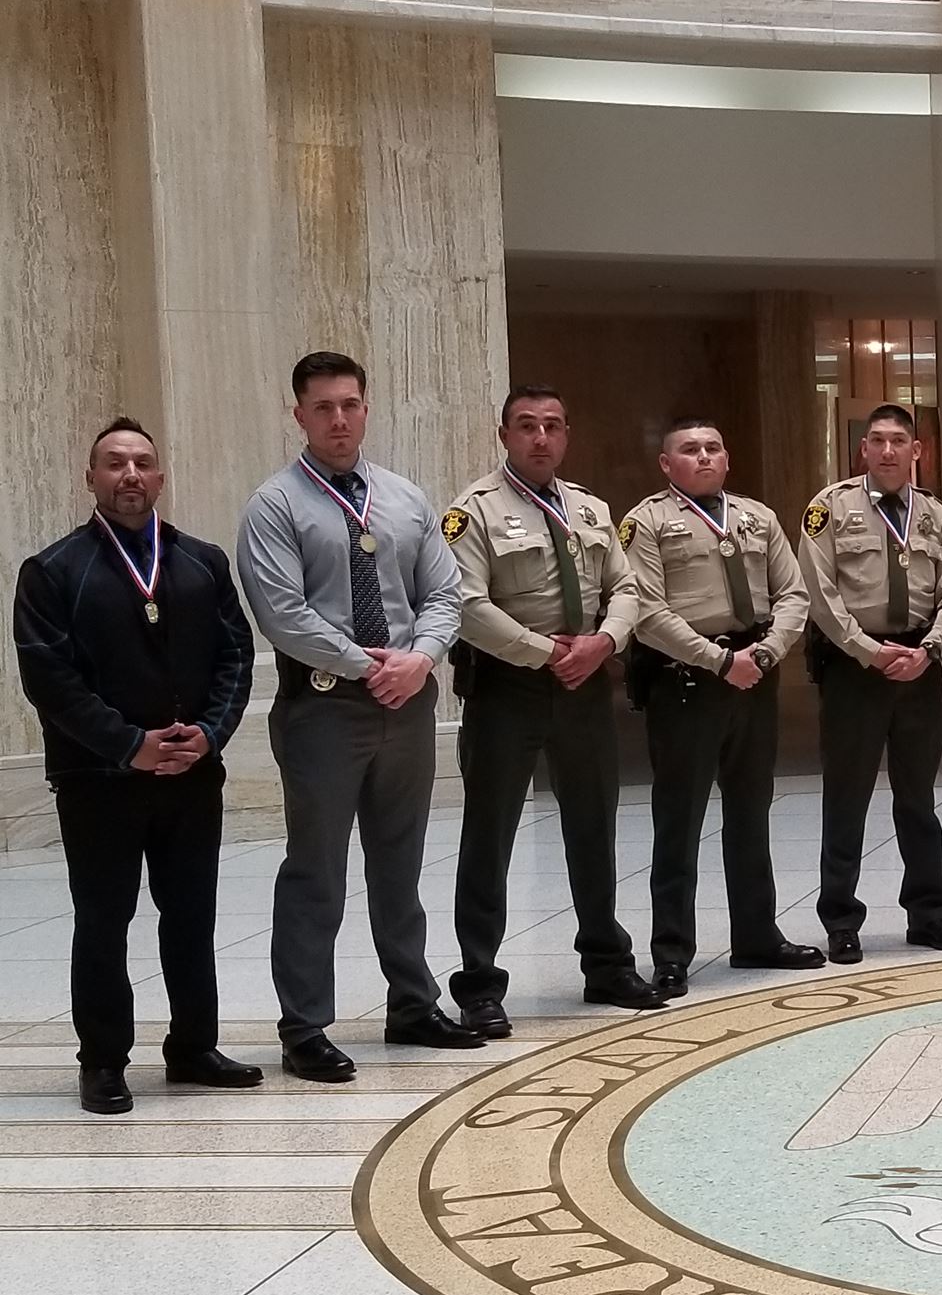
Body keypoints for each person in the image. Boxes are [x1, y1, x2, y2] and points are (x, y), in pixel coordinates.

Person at [238, 351, 485, 1080]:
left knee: (401, 864)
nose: (338, 419)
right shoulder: (276, 504)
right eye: (323, 408)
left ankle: (412, 1003)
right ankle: (304, 1025)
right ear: (299, 416)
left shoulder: (405, 498)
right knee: (317, 869)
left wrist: (423, 657)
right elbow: (281, 613)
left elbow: (446, 592)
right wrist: (368, 662)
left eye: (349, 404)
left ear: (366, 408)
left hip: (408, 701)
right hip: (323, 708)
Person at [13, 420, 261, 1113]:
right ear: (89, 477)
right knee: (104, 919)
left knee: (191, 917)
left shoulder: (201, 562)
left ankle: (193, 1046)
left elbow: (235, 656)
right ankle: (102, 1060)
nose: (130, 475)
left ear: (160, 477)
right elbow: (50, 682)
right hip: (99, 783)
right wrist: (131, 744)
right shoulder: (53, 571)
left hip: (191, 776)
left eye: (143, 463)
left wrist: (208, 735)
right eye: (114, 463)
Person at [441, 385, 662, 1036]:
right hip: (507, 687)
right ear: (504, 434)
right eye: (527, 426)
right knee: (490, 835)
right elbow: (467, 605)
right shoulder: (472, 512)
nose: (541, 437)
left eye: (553, 426)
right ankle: (479, 984)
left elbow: (626, 588)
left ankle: (606, 963)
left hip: (585, 683)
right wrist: (544, 652)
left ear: (567, 435)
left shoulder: (590, 508)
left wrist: (604, 642)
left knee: (594, 826)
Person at [621, 418, 821, 999]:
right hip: (688, 683)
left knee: (752, 812)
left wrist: (765, 653)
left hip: (753, 676)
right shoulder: (647, 522)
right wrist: (717, 660)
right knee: (679, 822)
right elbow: (647, 611)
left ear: (726, 458)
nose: (703, 457)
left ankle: (757, 934)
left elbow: (793, 595)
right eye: (689, 450)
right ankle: (671, 950)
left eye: (712, 448)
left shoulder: (758, 518)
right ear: (666, 464)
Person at [798, 403, 942, 957]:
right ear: (863, 450)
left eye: (900, 440)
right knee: (846, 798)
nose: (889, 451)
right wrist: (869, 652)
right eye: (878, 440)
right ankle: (841, 921)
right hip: (855, 671)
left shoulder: (936, 515)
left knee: (918, 799)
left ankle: (929, 913)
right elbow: (819, 594)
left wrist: (929, 650)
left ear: (916, 451)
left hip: (919, 670)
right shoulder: (830, 509)